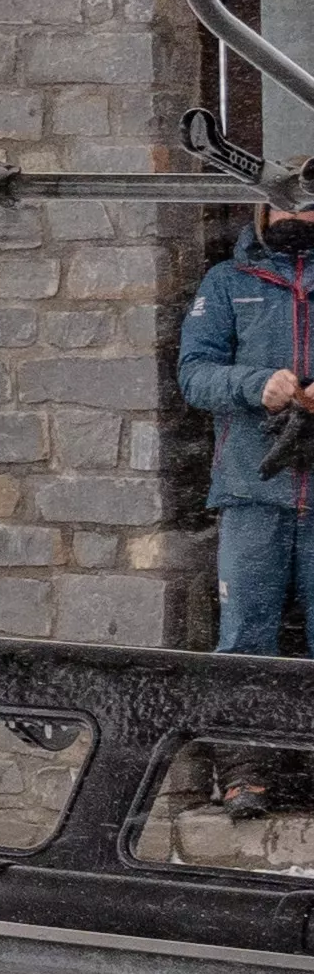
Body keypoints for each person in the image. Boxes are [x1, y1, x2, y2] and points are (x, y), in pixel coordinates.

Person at [185, 158, 314, 658]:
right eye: (283, 206)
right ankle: (244, 739)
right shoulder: (226, 281)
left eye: (307, 208)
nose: (295, 218)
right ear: (262, 211)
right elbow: (194, 375)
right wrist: (255, 385)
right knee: (243, 648)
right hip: (252, 495)